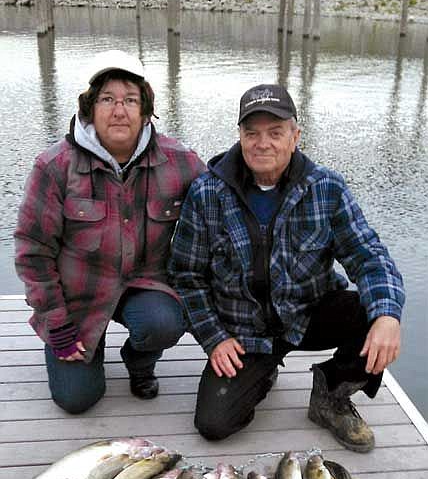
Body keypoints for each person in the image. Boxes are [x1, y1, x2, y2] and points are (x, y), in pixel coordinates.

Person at [169, 83, 405, 452]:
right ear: (241, 137)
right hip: (243, 331)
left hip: (307, 314)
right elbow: (186, 275)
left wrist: (389, 315)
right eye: (252, 133)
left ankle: (333, 394)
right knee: (213, 424)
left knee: (374, 312)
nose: (263, 143)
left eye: (275, 133)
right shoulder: (206, 192)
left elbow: (369, 256)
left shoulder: (326, 188)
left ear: (295, 136)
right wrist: (214, 338)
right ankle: (262, 372)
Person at [15, 49, 205, 414]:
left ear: (145, 110)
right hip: (77, 302)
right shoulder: (54, 166)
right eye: (107, 99)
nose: (119, 110)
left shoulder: (180, 161)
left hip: (146, 288)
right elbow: (32, 251)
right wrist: (57, 326)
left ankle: (140, 362)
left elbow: (221, 196)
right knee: (77, 399)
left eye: (130, 100)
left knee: (163, 322)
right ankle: (86, 348)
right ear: (89, 108)